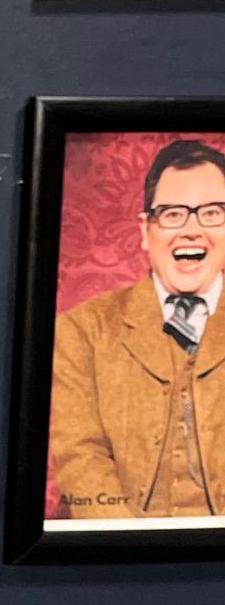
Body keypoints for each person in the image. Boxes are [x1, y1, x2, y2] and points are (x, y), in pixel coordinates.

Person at [50, 140, 225, 518]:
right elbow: (81, 458)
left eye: (212, 213)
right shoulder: (82, 330)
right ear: (146, 230)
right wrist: (129, 542)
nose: (192, 230)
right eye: (173, 214)